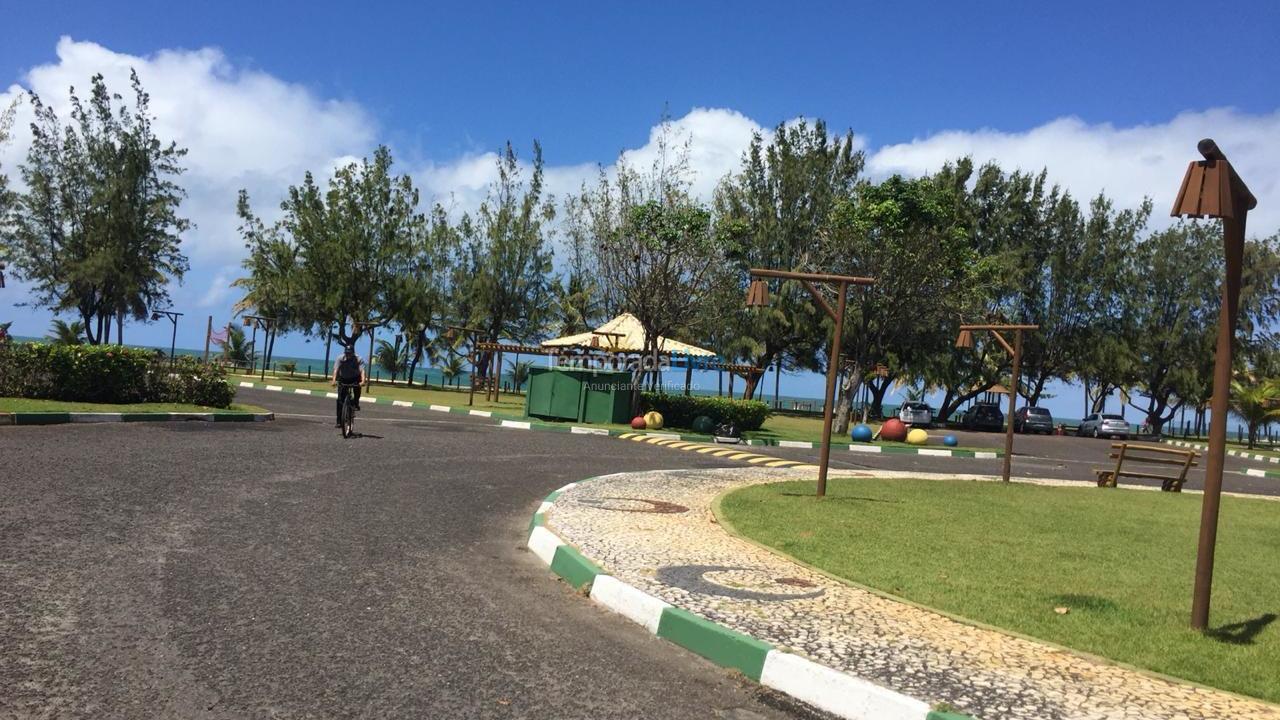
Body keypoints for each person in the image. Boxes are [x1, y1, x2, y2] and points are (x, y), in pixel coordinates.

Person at [331, 345, 366, 427]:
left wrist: (363, 381)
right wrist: (333, 381)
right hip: (343, 378)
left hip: (355, 378)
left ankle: (356, 402)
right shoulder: (340, 358)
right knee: (340, 400)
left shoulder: (358, 359)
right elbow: (336, 370)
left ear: (353, 353)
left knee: (357, 389)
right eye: (347, 353)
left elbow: (362, 371)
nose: (348, 355)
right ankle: (339, 421)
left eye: (350, 353)